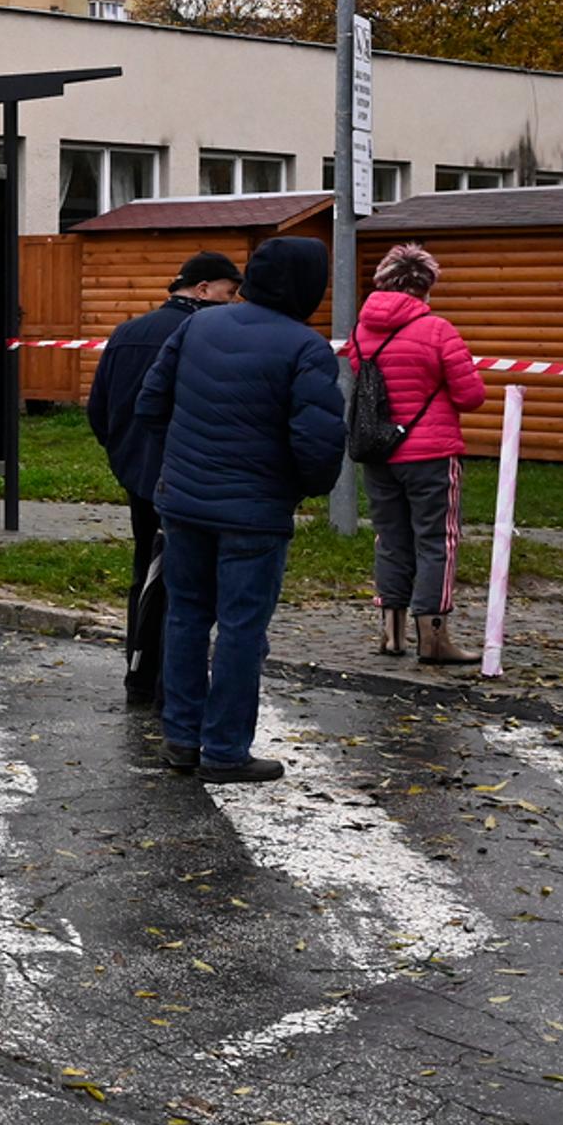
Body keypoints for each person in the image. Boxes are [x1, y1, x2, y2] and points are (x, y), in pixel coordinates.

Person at [135, 234, 346, 785]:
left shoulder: (197, 324)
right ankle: (225, 749)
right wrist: (298, 488)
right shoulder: (306, 348)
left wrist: (187, 458)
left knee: (185, 616)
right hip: (254, 511)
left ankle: (180, 737)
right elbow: (318, 446)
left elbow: (150, 403)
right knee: (241, 629)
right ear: (308, 287)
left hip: (182, 502)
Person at [85, 252, 242, 711]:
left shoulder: (128, 332)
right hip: (194, 474)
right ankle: (172, 685)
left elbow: (99, 410)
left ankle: (139, 673)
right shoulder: (209, 336)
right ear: (202, 289)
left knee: (145, 573)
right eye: (229, 293)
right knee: (188, 581)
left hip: (138, 471)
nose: (233, 304)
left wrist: (125, 457)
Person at [350, 242, 487, 666]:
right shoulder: (438, 330)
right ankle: (434, 638)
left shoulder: (361, 330)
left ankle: (391, 635)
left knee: (390, 539)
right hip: (431, 453)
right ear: (426, 286)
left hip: (379, 451)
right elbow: (471, 396)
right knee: (436, 542)